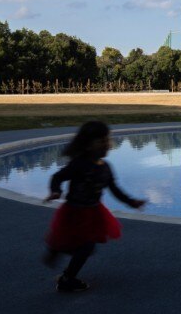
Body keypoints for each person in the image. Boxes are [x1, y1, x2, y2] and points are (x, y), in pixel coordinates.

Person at [42, 121, 145, 293]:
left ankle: (59, 255)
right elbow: (57, 177)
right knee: (84, 246)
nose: (106, 144)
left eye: (107, 140)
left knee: (82, 245)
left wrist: (131, 201)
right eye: (101, 141)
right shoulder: (79, 164)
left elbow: (114, 188)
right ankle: (67, 278)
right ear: (87, 144)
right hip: (74, 211)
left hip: (93, 212)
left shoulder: (105, 167)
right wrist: (56, 191)